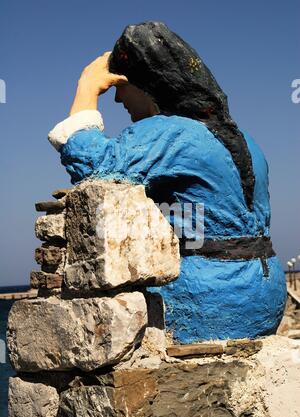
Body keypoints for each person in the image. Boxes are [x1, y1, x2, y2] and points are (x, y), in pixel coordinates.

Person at [48, 21, 287, 343]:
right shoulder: (244, 140)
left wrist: (86, 90)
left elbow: (94, 167)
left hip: (205, 297)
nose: (118, 100)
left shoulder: (171, 132)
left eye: (120, 86)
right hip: (262, 289)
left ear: (147, 86)